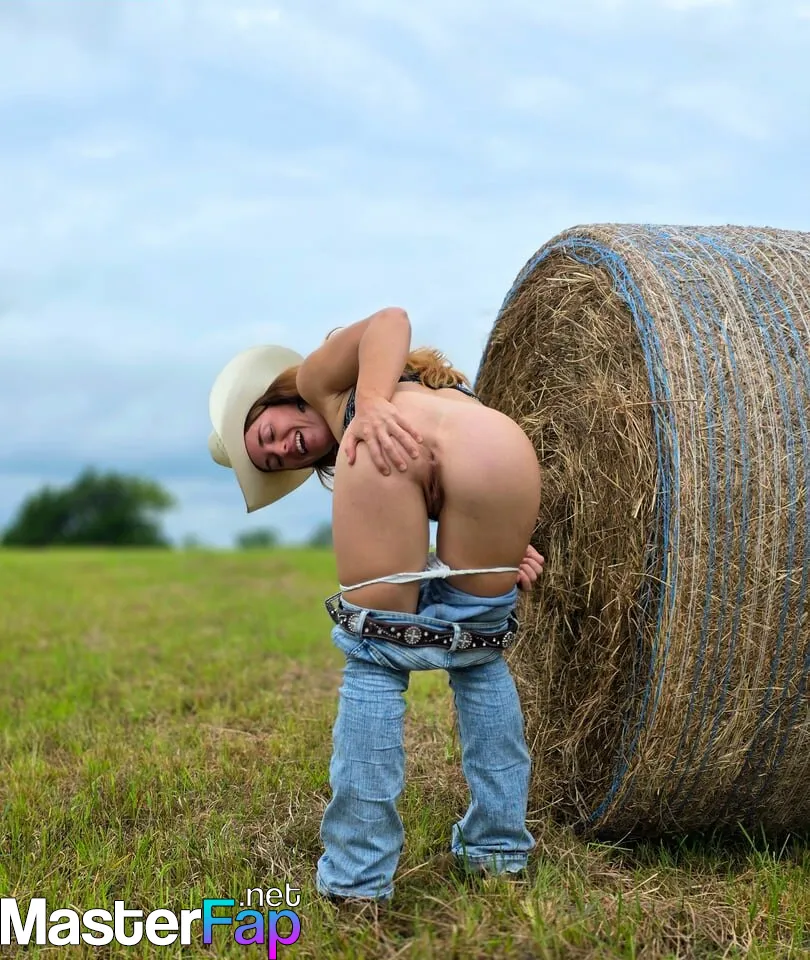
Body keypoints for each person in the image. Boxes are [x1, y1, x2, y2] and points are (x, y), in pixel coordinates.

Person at [208, 306, 544, 904]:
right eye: (276, 461)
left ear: (272, 400)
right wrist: (503, 546)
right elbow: (443, 487)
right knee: (480, 653)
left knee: (375, 659)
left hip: (399, 455)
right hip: (500, 451)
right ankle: (498, 853)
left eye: (269, 435)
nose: (284, 448)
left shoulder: (318, 378)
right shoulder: (434, 390)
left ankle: (357, 879)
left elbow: (389, 319)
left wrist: (371, 407)